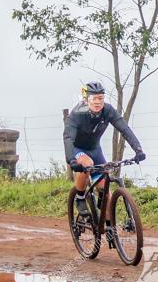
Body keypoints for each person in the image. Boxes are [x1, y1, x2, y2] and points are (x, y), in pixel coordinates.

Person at [63, 81, 146, 215]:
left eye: (100, 98)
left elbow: (124, 129)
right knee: (87, 164)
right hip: (78, 149)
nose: (97, 102)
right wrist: (71, 160)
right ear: (86, 100)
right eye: (94, 98)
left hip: (95, 150)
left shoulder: (108, 110)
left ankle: (109, 229)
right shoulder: (77, 114)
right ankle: (79, 197)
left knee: (106, 191)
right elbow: (68, 138)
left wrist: (138, 149)